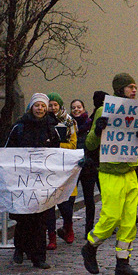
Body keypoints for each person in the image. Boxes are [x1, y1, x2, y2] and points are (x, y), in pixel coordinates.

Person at [81, 73, 138, 275]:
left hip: (129, 171)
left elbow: (137, 146)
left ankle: (123, 262)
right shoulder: (103, 110)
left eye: (135, 87)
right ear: (120, 89)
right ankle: (91, 246)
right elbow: (90, 144)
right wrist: (98, 129)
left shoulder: (136, 112)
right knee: (111, 216)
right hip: (110, 172)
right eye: (130, 87)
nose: (134, 90)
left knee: (128, 221)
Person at [5, 93, 61, 269]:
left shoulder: (52, 129)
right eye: (37, 105)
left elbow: (58, 155)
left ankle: (39, 257)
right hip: (23, 180)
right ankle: (20, 248)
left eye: (43, 106)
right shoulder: (19, 127)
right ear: (31, 107)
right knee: (24, 217)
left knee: (40, 219)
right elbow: (7, 151)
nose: (40, 109)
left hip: (42, 181)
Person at [46, 92, 78, 249]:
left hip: (65, 166)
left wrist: (57, 146)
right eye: (50, 105)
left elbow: (73, 144)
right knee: (49, 204)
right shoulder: (43, 122)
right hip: (48, 167)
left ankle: (68, 227)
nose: (52, 108)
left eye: (55, 105)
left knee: (66, 203)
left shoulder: (69, 122)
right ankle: (51, 236)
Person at [70, 99, 99, 240]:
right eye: (74, 107)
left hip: (88, 167)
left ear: (83, 108)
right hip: (73, 168)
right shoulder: (68, 125)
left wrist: (88, 159)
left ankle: (89, 228)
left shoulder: (89, 124)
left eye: (79, 107)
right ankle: (68, 227)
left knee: (89, 199)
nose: (76, 109)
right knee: (69, 199)